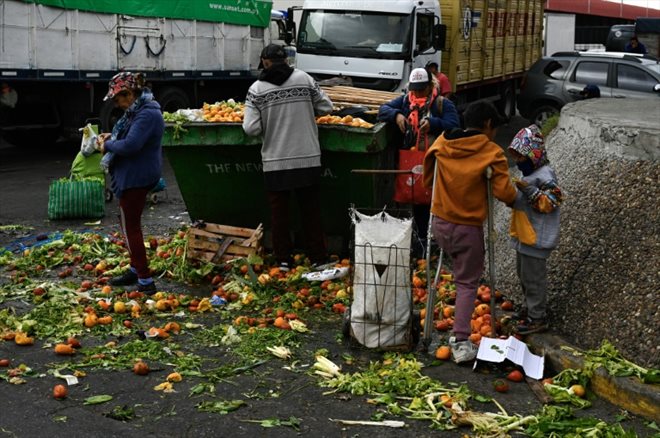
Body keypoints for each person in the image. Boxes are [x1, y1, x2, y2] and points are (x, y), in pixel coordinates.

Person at [422, 101, 517, 363]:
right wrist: (516, 198)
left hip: (440, 223)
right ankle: (461, 341)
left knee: (442, 272)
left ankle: (429, 331)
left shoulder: (442, 143)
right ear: (488, 125)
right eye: (495, 128)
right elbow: (504, 193)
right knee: (466, 282)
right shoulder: (491, 152)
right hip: (468, 228)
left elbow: (428, 177)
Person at [242, 44, 333, 268]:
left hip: (276, 160)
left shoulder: (256, 89)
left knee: (279, 214)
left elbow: (250, 129)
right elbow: (327, 107)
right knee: (310, 210)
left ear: (265, 62)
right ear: (286, 60)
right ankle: (318, 259)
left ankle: (283, 260)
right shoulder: (305, 79)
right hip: (307, 157)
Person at [378, 67, 460, 255]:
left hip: (438, 162)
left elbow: (455, 126)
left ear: (431, 86)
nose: (417, 93)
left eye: (421, 89)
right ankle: (422, 241)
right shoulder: (406, 101)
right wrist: (396, 115)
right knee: (419, 200)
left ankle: (442, 241)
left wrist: (434, 124)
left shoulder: (442, 104)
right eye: (414, 89)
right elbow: (383, 109)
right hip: (414, 161)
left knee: (439, 202)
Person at [96, 72, 164, 294]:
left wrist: (108, 146)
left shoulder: (146, 114)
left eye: (118, 99)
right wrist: (111, 137)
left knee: (130, 228)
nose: (117, 104)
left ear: (130, 93)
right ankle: (135, 269)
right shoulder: (138, 111)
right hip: (137, 173)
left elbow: (131, 145)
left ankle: (145, 280)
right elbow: (127, 138)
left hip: (137, 176)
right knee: (129, 224)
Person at [507, 125, 563, 335]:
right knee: (523, 275)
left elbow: (551, 201)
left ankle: (537, 317)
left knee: (533, 279)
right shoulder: (529, 174)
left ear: (534, 155)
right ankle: (529, 308)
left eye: (522, 158)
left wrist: (528, 190)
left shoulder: (545, 174)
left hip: (536, 238)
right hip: (524, 235)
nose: (518, 162)